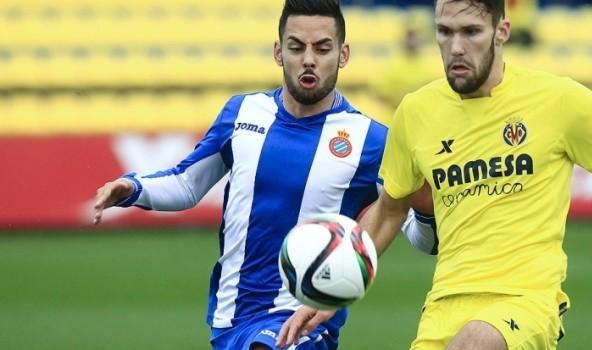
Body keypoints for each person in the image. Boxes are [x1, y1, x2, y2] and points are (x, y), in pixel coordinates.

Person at [278, 0, 592, 349]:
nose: (455, 47)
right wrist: (332, 289)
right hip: (444, 304)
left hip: (524, 300)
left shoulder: (559, 101)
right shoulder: (416, 112)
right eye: (444, 32)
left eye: (471, 32)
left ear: (501, 30)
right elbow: (388, 211)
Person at [92, 1, 434, 349]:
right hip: (231, 318)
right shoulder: (242, 113)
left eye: (323, 48)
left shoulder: (371, 140)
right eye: (296, 47)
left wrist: (425, 208)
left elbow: (418, 235)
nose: (309, 59)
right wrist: (132, 187)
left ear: (343, 55)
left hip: (303, 321)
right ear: (278, 51)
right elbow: (186, 183)